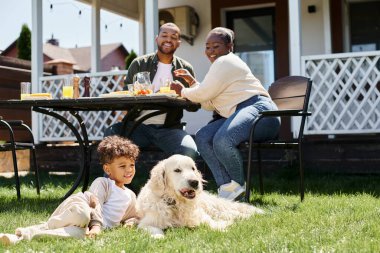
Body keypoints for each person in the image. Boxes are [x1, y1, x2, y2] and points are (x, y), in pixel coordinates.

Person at [171, 27, 281, 201]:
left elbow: (203, 94)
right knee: (203, 137)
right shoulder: (218, 68)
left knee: (223, 140)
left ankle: (239, 187)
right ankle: (226, 188)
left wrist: (182, 91)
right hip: (240, 113)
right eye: (208, 47)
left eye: (216, 46)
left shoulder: (226, 61)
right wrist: (192, 83)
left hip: (262, 113)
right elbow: (207, 103)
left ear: (229, 47)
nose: (211, 51)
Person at [0, 136, 140, 245]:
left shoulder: (130, 195)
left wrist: (130, 223)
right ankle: (47, 227)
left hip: (86, 227)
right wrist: (96, 226)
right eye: (122, 166)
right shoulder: (104, 183)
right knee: (82, 216)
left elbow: (134, 216)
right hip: (79, 208)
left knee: (78, 234)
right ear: (107, 169)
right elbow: (94, 203)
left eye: (132, 165)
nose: (129, 169)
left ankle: (19, 237)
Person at [104, 22, 198, 160]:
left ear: (178, 42)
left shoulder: (185, 68)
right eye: (164, 35)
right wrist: (137, 94)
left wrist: (183, 94)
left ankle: (170, 181)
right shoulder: (139, 64)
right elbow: (125, 97)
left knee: (189, 152)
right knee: (111, 134)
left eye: (173, 37)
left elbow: (195, 106)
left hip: (169, 129)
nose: (168, 40)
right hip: (138, 127)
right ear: (157, 39)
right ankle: (113, 182)